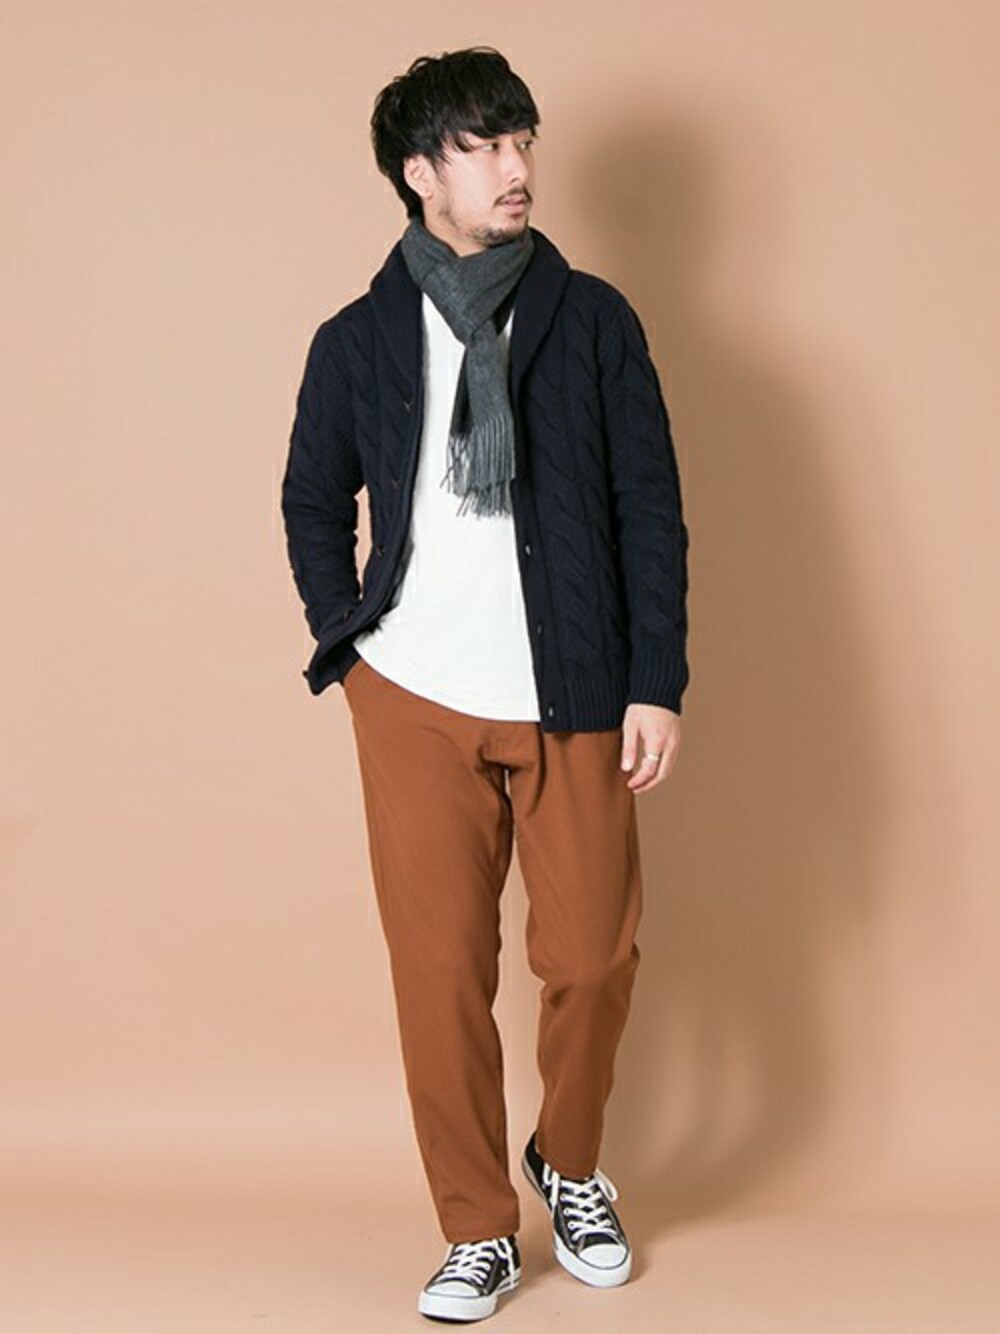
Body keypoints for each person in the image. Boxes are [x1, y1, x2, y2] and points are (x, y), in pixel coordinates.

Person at [281, 45, 690, 1324]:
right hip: (412, 695)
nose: (517, 168)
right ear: (421, 173)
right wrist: (350, 644)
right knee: (438, 970)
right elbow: (311, 498)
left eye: (522, 141)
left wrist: (656, 679)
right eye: (483, 146)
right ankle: (475, 1225)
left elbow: (648, 509)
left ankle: (567, 1160)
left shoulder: (592, 320)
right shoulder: (357, 339)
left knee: (592, 955)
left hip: (572, 687)